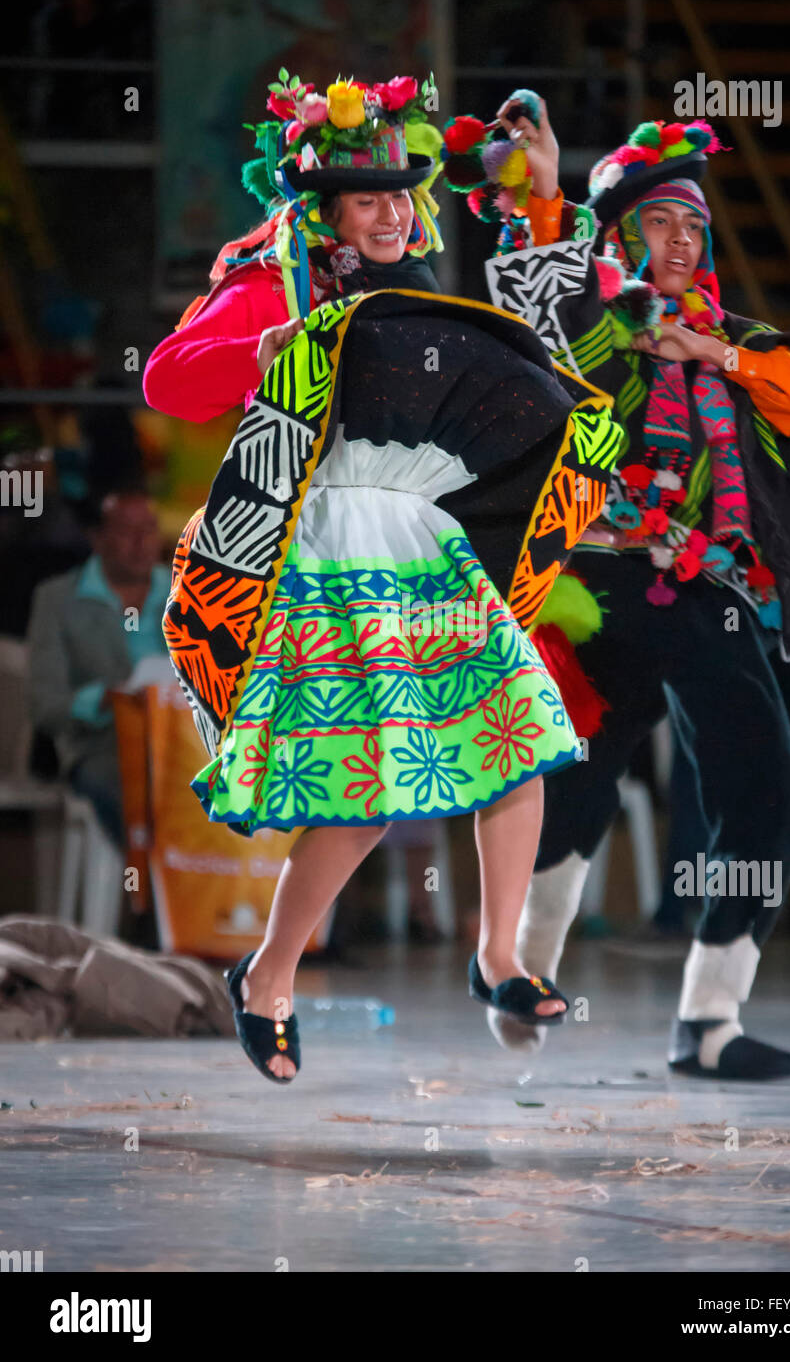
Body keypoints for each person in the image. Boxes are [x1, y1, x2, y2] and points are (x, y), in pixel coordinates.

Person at [144, 73, 622, 1084]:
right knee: (357, 796)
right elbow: (166, 380)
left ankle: (496, 955)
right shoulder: (268, 286)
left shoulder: (418, 305)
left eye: (404, 195)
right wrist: (258, 347)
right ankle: (266, 978)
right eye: (369, 199)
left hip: (420, 546)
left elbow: (541, 341)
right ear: (320, 212)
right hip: (315, 550)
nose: (397, 211)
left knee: (521, 736)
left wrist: (537, 198)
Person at [445, 94, 790, 1078]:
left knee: (754, 801)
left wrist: (707, 349)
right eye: (657, 221)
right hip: (592, 590)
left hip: (700, 594)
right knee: (579, 794)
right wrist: (543, 197)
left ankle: (704, 1022)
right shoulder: (599, 332)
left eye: (691, 223)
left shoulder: (733, 345)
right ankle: (525, 969)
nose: (677, 239)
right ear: (621, 235)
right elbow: (552, 317)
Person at [27, 491, 170, 846]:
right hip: (102, 744)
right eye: (126, 531)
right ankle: (159, 893)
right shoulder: (58, 599)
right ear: (97, 538)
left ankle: (235, 890)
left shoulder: (187, 591)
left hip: (182, 738)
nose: (141, 543)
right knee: (139, 791)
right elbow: (44, 705)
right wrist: (105, 699)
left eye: (149, 529)